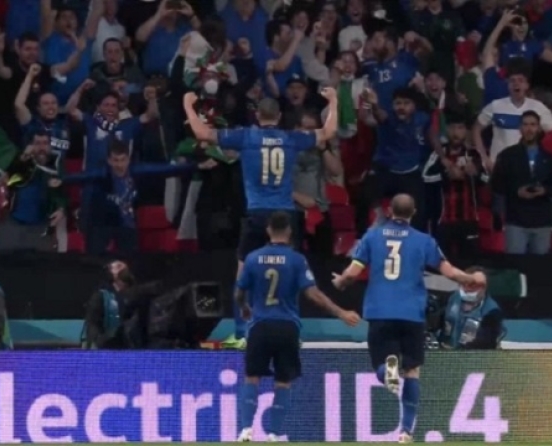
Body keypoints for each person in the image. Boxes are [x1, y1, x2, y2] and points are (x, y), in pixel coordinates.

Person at [183, 87, 338, 348]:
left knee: (244, 272)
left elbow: (202, 134)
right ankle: (292, 330)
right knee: (289, 271)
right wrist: (332, 101)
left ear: (257, 115)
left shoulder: (246, 136)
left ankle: (242, 333)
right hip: (285, 216)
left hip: (257, 214)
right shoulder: (291, 138)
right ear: (279, 117)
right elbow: (328, 132)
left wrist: (188, 105)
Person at [331, 193, 483, 444]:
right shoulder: (424, 241)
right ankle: (406, 431)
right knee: (412, 370)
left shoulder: (372, 236)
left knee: (381, 365)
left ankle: (386, 370)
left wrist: (340, 282)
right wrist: (470, 279)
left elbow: (352, 273)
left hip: (379, 311)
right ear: (414, 213)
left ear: (390, 211)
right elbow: (449, 272)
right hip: (412, 313)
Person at [235, 211, 360, 442]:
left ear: (268, 230)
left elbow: (239, 291)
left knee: (252, 376)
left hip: (260, 325)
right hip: (287, 327)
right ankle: (274, 434)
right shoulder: (296, 260)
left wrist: (244, 307)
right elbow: (313, 294)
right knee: (283, 381)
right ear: (290, 232)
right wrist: (341, 312)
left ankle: (245, 430)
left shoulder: (252, 258)